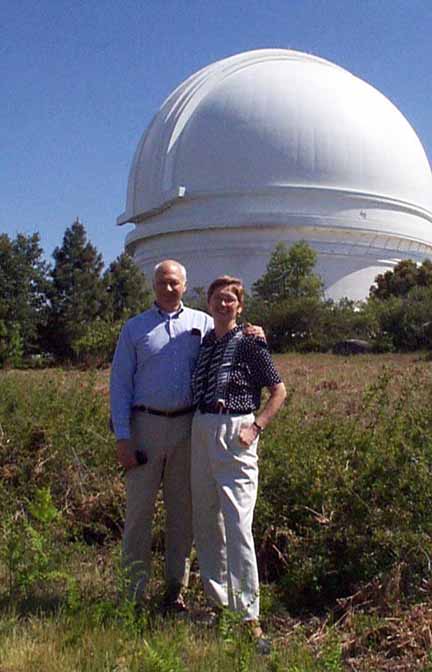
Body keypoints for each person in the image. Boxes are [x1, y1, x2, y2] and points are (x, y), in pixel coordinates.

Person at [110, 260, 263, 613]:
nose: (168, 288)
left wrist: (256, 332)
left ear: (184, 285)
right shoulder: (135, 329)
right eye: (163, 282)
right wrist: (123, 437)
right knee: (139, 514)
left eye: (175, 282)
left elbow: (232, 332)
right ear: (154, 286)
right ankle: (132, 593)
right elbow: (119, 385)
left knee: (184, 513)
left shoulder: (202, 322)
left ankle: (175, 589)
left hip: (188, 428)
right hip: (144, 426)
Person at [191, 276, 286, 651]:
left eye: (230, 299)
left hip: (236, 428)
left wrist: (257, 427)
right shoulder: (203, 343)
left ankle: (249, 617)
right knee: (206, 521)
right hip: (201, 427)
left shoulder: (250, 342)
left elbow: (279, 390)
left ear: (240, 306)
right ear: (209, 302)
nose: (223, 304)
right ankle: (220, 607)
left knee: (237, 525)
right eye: (217, 298)